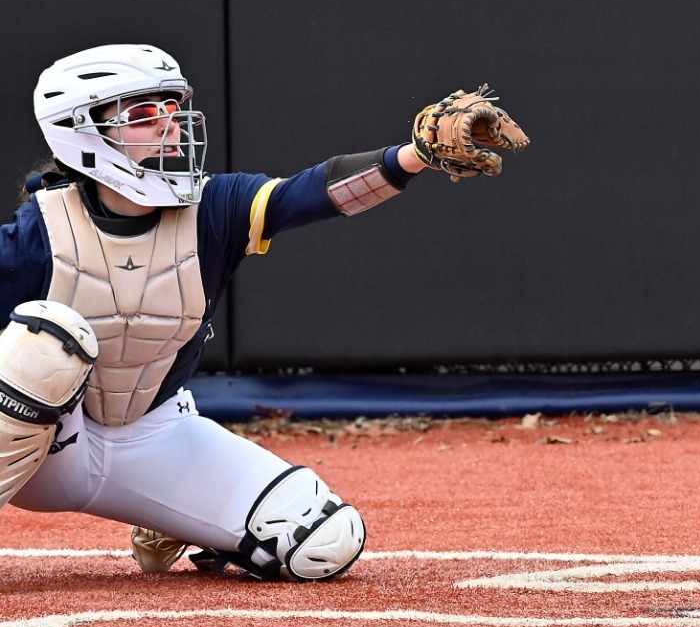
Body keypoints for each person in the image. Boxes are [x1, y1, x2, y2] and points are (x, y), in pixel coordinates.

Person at [0, 44, 528, 580]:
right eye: (143, 114)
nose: (170, 126)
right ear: (81, 132)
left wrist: (414, 155)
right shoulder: (37, 233)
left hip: (152, 433)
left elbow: (306, 195)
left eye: (171, 108)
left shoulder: (213, 208)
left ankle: (172, 517)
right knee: (45, 339)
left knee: (323, 543)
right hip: (48, 455)